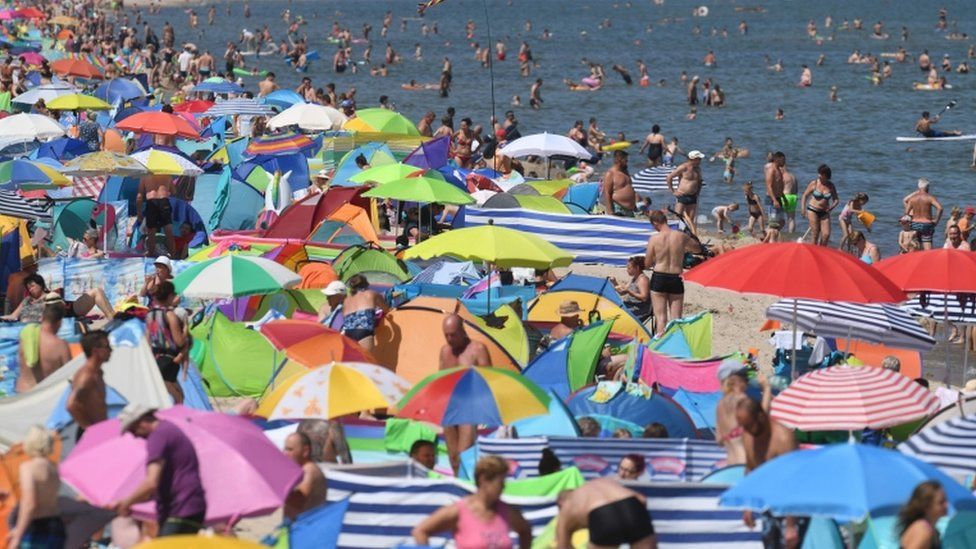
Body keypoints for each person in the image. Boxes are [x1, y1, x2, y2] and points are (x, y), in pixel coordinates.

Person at [112, 404, 207, 536]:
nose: (134, 436)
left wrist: (126, 503)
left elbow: (151, 483)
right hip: (191, 505)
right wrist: (129, 501)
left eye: (132, 430)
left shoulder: (158, 436)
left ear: (142, 422)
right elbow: (157, 489)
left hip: (181, 508)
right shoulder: (168, 430)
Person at [412, 456, 532, 548]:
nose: (503, 487)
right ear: (483, 480)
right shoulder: (460, 511)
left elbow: (525, 531)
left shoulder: (506, 511)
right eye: (500, 483)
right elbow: (420, 531)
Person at [737, 398, 801, 548]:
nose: (747, 430)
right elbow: (751, 469)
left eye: (749, 425)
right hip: (769, 503)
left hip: (793, 505)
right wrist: (748, 505)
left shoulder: (783, 438)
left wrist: (791, 525)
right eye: (743, 426)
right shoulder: (748, 436)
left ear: (761, 416)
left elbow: (793, 481)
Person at [439, 314, 490, 474]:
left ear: (462, 330)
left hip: (469, 409)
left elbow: (489, 381)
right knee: (453, 458)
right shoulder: (445, 351)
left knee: (464, 455)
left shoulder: (477, 350)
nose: (449, 338)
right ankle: (458, 491)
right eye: (446, 335)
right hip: (450, 408)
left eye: (453, 334)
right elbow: (441, 381)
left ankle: (468, 489)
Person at [644, 210, 703, 337]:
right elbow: (698, 248)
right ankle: (675, 347)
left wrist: (658, 257)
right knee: (676, 318)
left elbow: (647, 264)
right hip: (676, 277)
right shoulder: (681, 236)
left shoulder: (654, 238)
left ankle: (661, 348)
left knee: (660, 318)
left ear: (655, 223)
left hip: (659, 276)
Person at [556, 478, 657, 549]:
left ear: (561, 503)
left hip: (602, 515)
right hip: (633, 505)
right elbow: (642, 499)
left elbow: (562, 547)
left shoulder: (566, 508)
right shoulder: (601, 482)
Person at [6, 426, 64, 549]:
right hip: (56, 526)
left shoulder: (28, 468)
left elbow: (29, 504)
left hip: (37, 529)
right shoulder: (54, 469)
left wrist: (17, 536)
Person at [16, 301, 71, 393]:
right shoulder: (60, 345)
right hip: (44, 397)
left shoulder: (26, 336)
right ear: (60, 323)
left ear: (42, 318)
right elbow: (69, 375)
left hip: (21, 393)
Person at [146, 281, 187, 404]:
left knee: (178, 396)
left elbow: (147, 340)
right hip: (169, 360)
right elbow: (179, 342)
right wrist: (185, 328)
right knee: (178, 398)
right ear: (169, 296)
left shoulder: (150, 315)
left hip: (156, 358)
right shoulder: (170, 315)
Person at [66, 331, 111, 442]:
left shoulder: (97, 372)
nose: (111, 350)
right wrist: (90, 430)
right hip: (92, 433)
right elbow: (71, 405)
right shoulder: (87, 376)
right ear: (95, 351)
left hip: (100, 429)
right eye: (107, 347)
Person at [283, 432, 328, 521]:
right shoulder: (302, 470)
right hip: (302, 525)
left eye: (290, 450)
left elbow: (299, 500)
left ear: (305, 451)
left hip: (306, 526)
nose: (285, 453)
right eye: (285, 449)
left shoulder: (309, 470)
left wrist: (276, 488)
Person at [340, 274, 388, 351]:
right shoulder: (371, 294)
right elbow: (386, 309)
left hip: (348, 334)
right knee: (368, 361)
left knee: (356, 362)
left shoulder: (346, 301)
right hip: (364, 332)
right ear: (366, 284)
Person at [133, 173, 175, 257]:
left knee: (151, 232)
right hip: (164, 202)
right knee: (168, 231)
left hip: (151, 202)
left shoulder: (145, 175)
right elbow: (174, 191)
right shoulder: (167, 175)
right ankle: (173, 255)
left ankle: (150, 253)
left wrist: (139, 212)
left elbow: (139, 196)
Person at [898, 481, 947, 549]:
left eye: (946, 500)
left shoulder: (933, 530)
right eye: (941, 502)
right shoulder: (923, 531)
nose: (946, 505)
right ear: (926, 506)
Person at [800, 164, 840, 246]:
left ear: (826, 175)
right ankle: (812, 254)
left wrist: (832, 207)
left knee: (826, 235)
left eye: (821, 174)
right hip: (813, 210)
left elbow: (836, 199)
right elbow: (804, 195)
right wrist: (803, 208)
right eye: (819, 173)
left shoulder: (831, 185)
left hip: (825, 212)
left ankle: (821, 252)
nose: (819, 175)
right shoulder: (814, 183)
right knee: (815, 234)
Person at [666, 150, 705, 232]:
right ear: (693, 159)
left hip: (693, 196)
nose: (700, 161)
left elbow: (699, 181)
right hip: (682, 195)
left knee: (690, 219)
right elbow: (669, 177)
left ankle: (686, 235)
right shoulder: (683, 167)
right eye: (699, 159)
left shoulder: (698, 169)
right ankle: (675, 234)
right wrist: (673, 191)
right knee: (677, 217)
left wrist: (698, 192)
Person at [904, 178, 943, 250]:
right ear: (927, 187)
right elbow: (940, 208)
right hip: (926, 224)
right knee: (927, 248)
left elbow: (906, 212)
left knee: (916, 246)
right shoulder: (930, 197)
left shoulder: (913, 198)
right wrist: (936, 221)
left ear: (919, 187)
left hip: (915, 224)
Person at [601, 150, 637, 216]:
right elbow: (607, 193)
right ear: (619, 159)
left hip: (629, 210)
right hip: (618, 209)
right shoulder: (610, 174)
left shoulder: (625, 172)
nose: (627, 162)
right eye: (625, 161)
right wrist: (610, 212)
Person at [765, 152, 787, 227]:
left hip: (779, 198)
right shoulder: (771, 170)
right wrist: (774, 200)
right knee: (773, 223)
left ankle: (770, 236)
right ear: (777, 159)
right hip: (772, 199)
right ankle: (770, 237)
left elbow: (779, 187)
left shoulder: (779, 170)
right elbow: (769, 186)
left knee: (782, 222)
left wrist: (784, 198)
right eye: (783, 160)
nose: (785, 162)